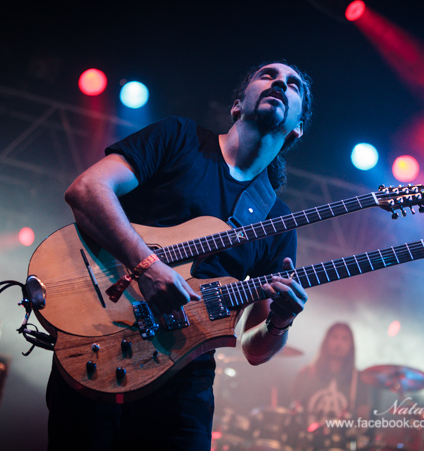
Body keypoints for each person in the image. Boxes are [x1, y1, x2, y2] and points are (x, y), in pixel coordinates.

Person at [45, 61, 313, 450]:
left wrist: (280, 322)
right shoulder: (179, 138)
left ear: (297, 126)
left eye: (293, 85)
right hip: (102, 343)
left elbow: (254, 349)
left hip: (184, 385)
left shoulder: (277, 221)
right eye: (267, 75)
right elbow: (87, 190)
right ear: (238, 104)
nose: (280, 83)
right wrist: (146, 265)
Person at [290, 322, 371, 449]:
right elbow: (293, 411)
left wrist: (356, 426)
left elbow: (363, 421)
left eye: (345, 339)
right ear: (326, 341)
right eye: (334, 337)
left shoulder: (359, 379)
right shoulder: (306, 373)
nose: (339, 343)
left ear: (351, 345)